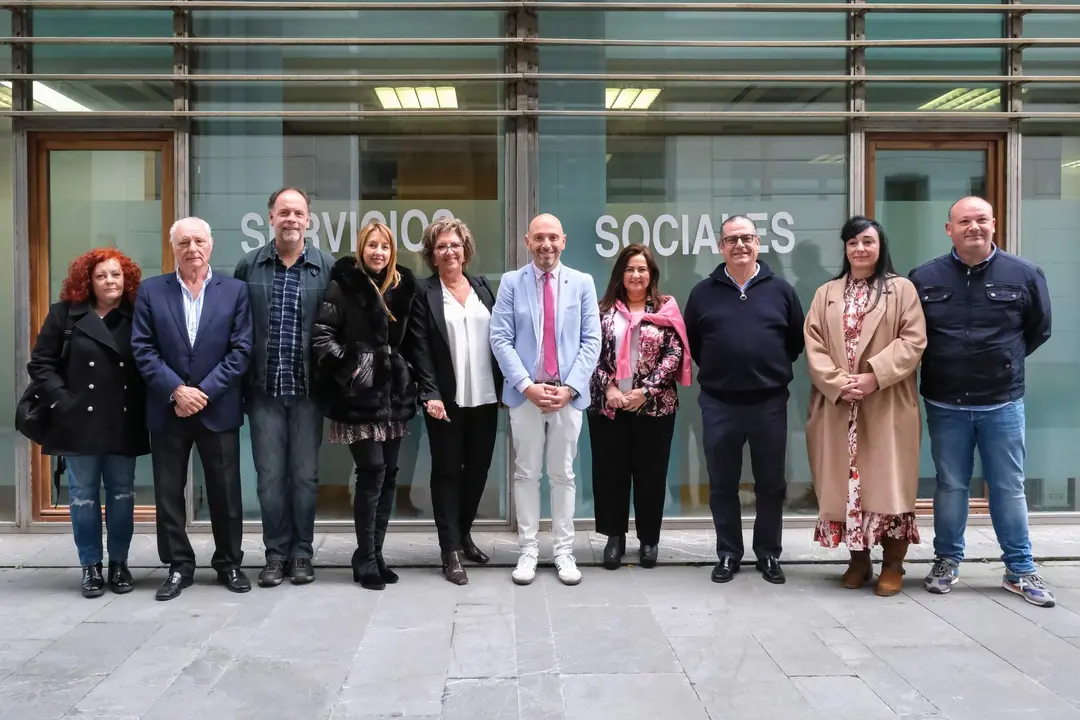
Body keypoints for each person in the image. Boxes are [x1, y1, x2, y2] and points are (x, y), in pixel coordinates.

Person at [909, 196, 1055, 607]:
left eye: (981, 220)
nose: (973, 227)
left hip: (1001, 402)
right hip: (945, 401)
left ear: (994, 225)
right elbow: (912, 334)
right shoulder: (924, 277)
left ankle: (1020, 568)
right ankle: (947, 560)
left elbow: (1038, 329)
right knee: (950, 485)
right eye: (964, 221)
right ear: (949, 229)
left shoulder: (1024, 273)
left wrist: (1004, 362)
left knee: (1008, 487)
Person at [804, 216, 927, 596]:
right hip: (841, 406)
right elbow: (814, 344)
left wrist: (875, 375)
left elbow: (913, 340)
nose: (860, 249)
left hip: (886, 401)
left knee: (889, 485)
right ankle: (858, 560)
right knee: (847, 487)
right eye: (853, 242)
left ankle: (893, 564)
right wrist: (839, 384)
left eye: (868, 242)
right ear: (845, 248)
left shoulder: (901, 289)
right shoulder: (826, 293)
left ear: (880, 246)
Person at [131, 217, 253, 601]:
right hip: (169, 410)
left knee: (226, 492)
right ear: (174, 248)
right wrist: (176, 391)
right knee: (169, 494)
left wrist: (203, 392)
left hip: (217, 408)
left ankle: (229, 563)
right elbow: (143, 349)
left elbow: (241, 350)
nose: (192, 248)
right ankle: (178, 566)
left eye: (199, 241)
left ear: (211, 246)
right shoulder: (151, 291)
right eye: (184, 242)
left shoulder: (235, 291)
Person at [685, 214, 805, 585]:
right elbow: (694, 343)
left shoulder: (781, 290)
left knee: (771, 482)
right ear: (720, 247)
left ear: (757, 244)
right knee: (722, 483)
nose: (740, 245)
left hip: (768, 403)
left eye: (747, 238)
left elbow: (795, 342)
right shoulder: (703, 293)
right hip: (719, 402)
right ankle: (728, 554)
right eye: (732, 239)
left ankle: (768, 553)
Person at [26, 248, 150, 598]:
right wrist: (63, 401)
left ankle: (120, 564)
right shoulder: (65, 315)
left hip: (124, 420)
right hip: (78, 421)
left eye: (116, 274)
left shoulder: (138, 314)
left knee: (123, 495)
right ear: (88, 281)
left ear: (126, 279)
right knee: (82, 496)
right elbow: (41, 364)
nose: (110, 281)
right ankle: (91, 566)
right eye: (101, 276)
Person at [490, 213, 601, 587]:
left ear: (564, 240)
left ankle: (564, 552)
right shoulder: (511, 283)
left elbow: (592, 340)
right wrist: (526, 386)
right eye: (539, 238)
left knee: (563, 474)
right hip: (526, 395)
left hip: (567, 396)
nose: (546, 245)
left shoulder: (582, 283)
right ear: (527, 241)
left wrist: (569, 388)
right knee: (526, 473)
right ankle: (528, 550)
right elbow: (500, 338)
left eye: (553, 237)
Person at [234, 188, 335, 588]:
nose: (291, 218)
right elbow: (236, 328)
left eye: (298, 213)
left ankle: (302, 554)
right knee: (270, 477)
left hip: (310, 393)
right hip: (264, 392)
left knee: (306, 477)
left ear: (309, 219)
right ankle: (275, 554)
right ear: (270, 217)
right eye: (284, 212)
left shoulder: (326, 267)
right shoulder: (250, 266)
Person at [311, 220, 418, 591]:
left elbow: (413, 342)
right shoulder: (343, 287)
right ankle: (365, 557)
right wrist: (355, 369)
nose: (378, 252)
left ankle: (376, 553)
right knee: (371, 471)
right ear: (361, 248)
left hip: (393, 396)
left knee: (389, 473)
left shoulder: (402, 287)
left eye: (384, 246)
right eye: (372, 245)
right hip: (358, 398)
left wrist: (408, 376)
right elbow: (322, 338)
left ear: (392, 252)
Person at [409, 218, 501, 585]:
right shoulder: (424, 292)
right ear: (432, 255)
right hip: (445, 402)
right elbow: (419, 347)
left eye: (455, 245)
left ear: (466, 250)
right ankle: (449, 550)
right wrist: (429, 393)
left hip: (486, 397)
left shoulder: (482, 287)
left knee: (478, 470)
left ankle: (463, 534)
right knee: (447, 473)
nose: (450, 251)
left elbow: (501, 338)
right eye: (442, 246)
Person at [587, 244, 691, 570]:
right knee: (611, 473)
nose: (636, 275)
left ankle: (649, 539)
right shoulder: (602, 310)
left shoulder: (666, 309)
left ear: (651, 275)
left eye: (642, 269)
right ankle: (614, 537)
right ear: (621, 273)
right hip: (609, 406)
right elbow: (589, 351)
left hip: (655, 407)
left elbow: (673, 354)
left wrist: (644, 392)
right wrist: (610, 387)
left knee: (650, 474)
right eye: (630, 269)